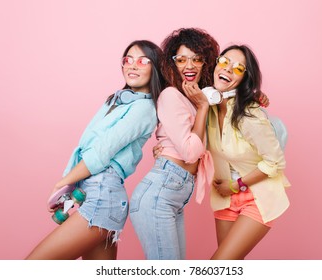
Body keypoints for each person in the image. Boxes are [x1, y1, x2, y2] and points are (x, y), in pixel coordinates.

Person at [25, 40, 165, 260]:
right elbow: (87, 147)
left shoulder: (145, 108)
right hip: (94, 193)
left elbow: (101, 152)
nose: (132, 65)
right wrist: (72, 185)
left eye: (142, 60)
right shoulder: (119, 100)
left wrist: (63, 183)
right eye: (127, 59)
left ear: (155, 67)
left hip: (103, 197)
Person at [129, 28, 219, 260]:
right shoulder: (171, 95)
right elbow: (190, 152)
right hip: (158, 195)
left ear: (206, 63)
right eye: (181, 59)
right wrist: (202, 108)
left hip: (172, 198)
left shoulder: (195, 98)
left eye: (196, 59)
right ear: (172, 64)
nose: (189, 65)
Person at [208, 44, 290, 259]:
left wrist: (235, 186)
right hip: (224, 198)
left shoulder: (249, 115)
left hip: (257, 197)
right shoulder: (207, 108)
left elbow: (275, 162)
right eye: (224, 61)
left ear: (245, 79)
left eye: (238, 68)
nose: (227, 68)